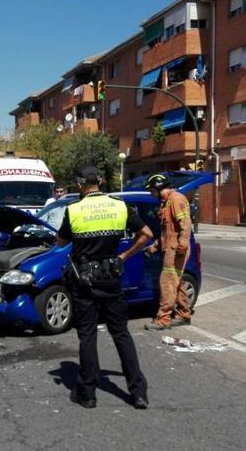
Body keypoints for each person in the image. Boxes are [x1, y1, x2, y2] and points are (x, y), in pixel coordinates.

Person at [57, 166, 151, 410]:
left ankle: (87, 394)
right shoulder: (118, 205)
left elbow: (61, 241)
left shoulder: (73, 209)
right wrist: (124, 256)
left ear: (79, 185)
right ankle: (138, 392)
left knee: (88, 334)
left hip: (84, 281)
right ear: (100, 181)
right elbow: (146, 234)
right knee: (121, 333)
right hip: (111, 277)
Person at [143, 174, 193, 331]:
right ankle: (184, 313)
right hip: (171, 246)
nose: (152, 194)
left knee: (168, 283)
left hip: (176, 249)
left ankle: (163, 319)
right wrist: (154, 246)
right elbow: (167, 232)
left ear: (158, 188)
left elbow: (185, 223)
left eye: (152, 190)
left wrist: (182, 245)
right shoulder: (167, 202)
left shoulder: (176, 199)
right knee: (176, 282)